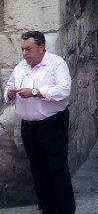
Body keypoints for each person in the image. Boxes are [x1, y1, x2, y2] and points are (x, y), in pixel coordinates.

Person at [4, 31, 76, 214]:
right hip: (28, 126)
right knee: (37, 167)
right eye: (22, 49)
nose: (24, 53)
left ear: (41, 47)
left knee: (57, 167)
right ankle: (47, 207)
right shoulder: (21, 66)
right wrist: (10, 93)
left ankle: (64, 209)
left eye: (28, 49)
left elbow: (64, 90)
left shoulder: (56, 64)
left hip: (52, 124)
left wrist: (36, 92)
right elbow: (8, 86)